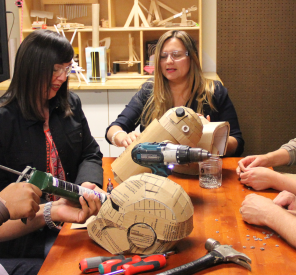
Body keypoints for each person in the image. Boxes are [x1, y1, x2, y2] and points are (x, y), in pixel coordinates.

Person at [0, 30, 104, 274]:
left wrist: (87, 183)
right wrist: (52, 212)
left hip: (71, 221)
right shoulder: (4, 121)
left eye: (67, 69)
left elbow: (90, 153)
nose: (61, 78)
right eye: (55, 69)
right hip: (25, 241)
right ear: (32, 69)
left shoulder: (70, 104)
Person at [105, 30, 244, 157]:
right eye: (163, 56)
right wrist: (122, 137)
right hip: (157, 171)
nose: (169, 61)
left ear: (192, 57)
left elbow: (237, 143)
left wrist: (210, 137)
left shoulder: (213, 91)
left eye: (176, 55)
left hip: (199, 171)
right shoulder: (149, 91)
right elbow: (113, 129)